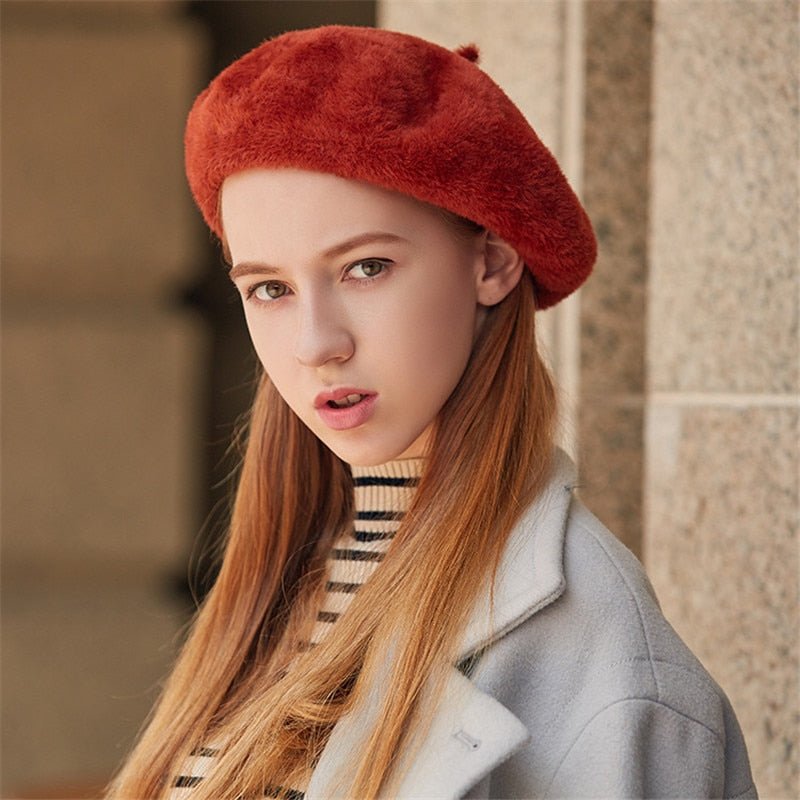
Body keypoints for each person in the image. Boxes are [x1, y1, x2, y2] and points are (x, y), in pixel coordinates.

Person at [109, 25, 757, 800]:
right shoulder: (278, 591)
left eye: (366, 267)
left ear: (491, 261)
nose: (317, 343)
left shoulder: (611, 662)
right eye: (269, 289)